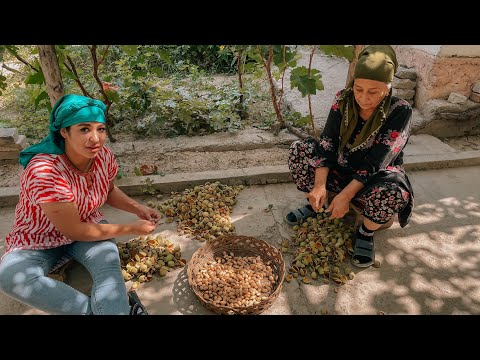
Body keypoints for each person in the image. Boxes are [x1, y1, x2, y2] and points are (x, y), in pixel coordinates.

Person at [0, 94, 161, 315]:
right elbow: (74, 230)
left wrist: (137, 208)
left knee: (108, 267)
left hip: (88, 223)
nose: (95, 139)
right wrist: (132, 228)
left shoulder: (102, 156)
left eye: (101, 129)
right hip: (38, 238)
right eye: (84, 129)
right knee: (11, 277)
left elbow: (109, 190)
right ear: (64, 132)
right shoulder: (45, 171)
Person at [286, 45, 414, 268]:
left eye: (373, 92)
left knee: (393, 192)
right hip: (341, 167)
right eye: (359, 89)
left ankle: (365, 233)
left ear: (388, 87)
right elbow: (328, 142)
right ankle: (317, 205)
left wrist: (345, 196)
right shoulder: (343, 100)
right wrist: (318, 185)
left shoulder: (400, 111)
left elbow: (377, 161)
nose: (363, 98)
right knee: (300, 150)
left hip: (374, 177)